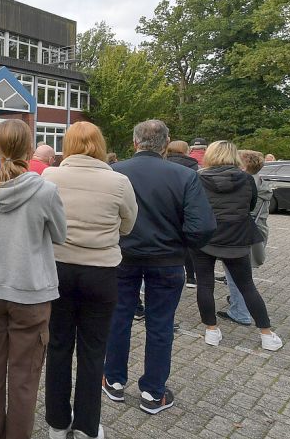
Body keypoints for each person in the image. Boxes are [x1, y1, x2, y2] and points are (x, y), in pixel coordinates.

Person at [102, 120, 216, 416]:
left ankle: (113, 380)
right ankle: (153, 391)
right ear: (166, 144)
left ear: (135, 142)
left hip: (122, 256)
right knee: (161, 324)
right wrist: (180, 244)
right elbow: (202, 226)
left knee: (119, 317)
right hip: (166, 260)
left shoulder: (114, 172)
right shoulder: (185, 175)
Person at [0, 119, 66, 439]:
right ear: (30, 148)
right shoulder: (45, 190)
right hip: (32, 294)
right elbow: (60, 235)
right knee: (24, 381)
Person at [42, 122, 138, 439]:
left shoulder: (50, 177)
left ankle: (57, 423)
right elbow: (128, 225)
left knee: (57, 346)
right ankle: (86, 424)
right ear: (99, 144)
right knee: (93, 350)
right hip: (101, 271)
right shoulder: (119, 181)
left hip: (58, 270)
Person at [194, 142, 282, 351]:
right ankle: (266, 334)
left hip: (205, 236)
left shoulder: (197, 178)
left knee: (205, 285)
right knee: (247, 285)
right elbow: (250, 206)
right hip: (237, 236)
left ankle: (211, 330)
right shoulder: (247, 180)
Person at [218, 150, 273, 326]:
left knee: (237, 275)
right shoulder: (262, 182)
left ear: (244, 165)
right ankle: (238, 302)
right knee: (241, 274)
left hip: (243, 235)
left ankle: (239, 312)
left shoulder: (246, 185)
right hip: (257, 232)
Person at [165, 140, 200, 288]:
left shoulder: (162, 164)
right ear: (186, 150)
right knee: (188, 246)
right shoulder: (195, 168)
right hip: (186, 210)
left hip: (166, 210)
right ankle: (191, 277)